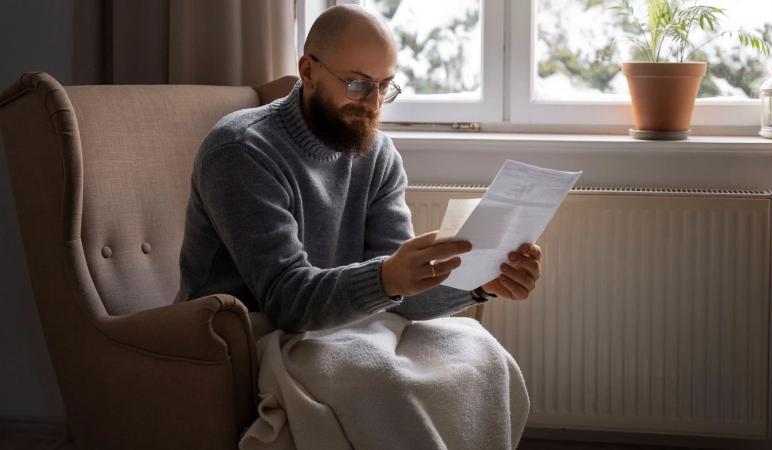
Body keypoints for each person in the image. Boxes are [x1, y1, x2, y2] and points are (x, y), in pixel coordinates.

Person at [174, 4, 543, 332]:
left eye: (385, 86)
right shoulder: (241, 151)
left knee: (479, 357)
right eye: (358, 84)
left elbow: (402, 295)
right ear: (308, 71)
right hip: (237, 341)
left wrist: (481, 284)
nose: (374, 103)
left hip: (335, 331)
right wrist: (385, 279)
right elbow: (286, 300)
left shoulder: (378, 155)